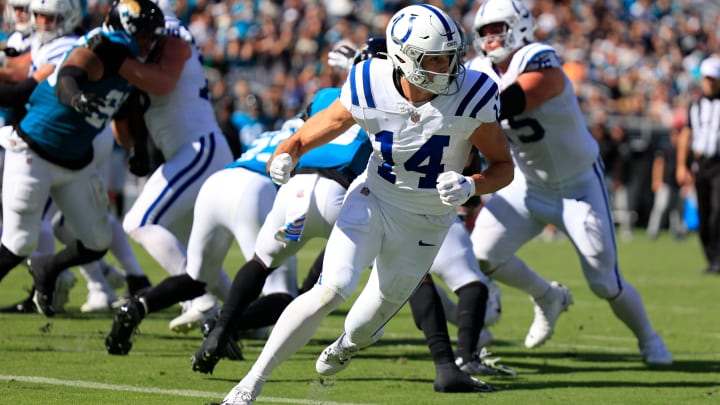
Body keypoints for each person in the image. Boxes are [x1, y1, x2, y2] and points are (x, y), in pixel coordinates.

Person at [219, 5, 514, 404]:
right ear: (405, 59)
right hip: (373, 197)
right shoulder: (369, 82)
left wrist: (470, 186)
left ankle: (348, 343)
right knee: (330, 288)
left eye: (452, 55)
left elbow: (502, 167)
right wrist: (290, 148)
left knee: (365, 324)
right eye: (437, 59)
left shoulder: (474, 94)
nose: (450, 66)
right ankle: (250, 383)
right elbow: (330, 122)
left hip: (427, 222)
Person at [467, 0, 672, 364]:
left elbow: (517, 97)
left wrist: (463, 106)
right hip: (525, 184)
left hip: (578, 185)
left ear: (520, 25)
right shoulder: (478, 69)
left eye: (497, 27)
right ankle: (547, 296)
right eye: (484, 31)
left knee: (604, 283)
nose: (490, 37)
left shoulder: (538, 57)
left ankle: (649, 339)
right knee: (482, 254)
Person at [0, 0, 167, 317]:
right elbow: (69, 75)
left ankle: (48, 267)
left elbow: (128, 113)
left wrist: (138, 150)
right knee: (19, 241)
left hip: (76, 161)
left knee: (96, 240)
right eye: (145, 34)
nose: (151, 41)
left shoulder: (131, 62)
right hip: (34, 149)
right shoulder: (102, 43)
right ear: (128, 28)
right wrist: (76, 98)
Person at [112, 0, 234, 331]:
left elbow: (162, 82)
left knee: (138, 221)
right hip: (188, 152)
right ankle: (246, 316)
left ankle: (199, 298)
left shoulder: (173, 33)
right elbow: (124, 132)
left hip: (199, 148)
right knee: (197, 253)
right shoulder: (138, 47)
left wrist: (117, 63)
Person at [676, 55, 720, 274]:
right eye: (707, 79)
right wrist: (681, 165)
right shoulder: (696, 106)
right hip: (701, 164)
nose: (710, 83)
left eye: (714, 79)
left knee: (717, 211)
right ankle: (712, 259)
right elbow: (686, 135)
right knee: (704, 213)